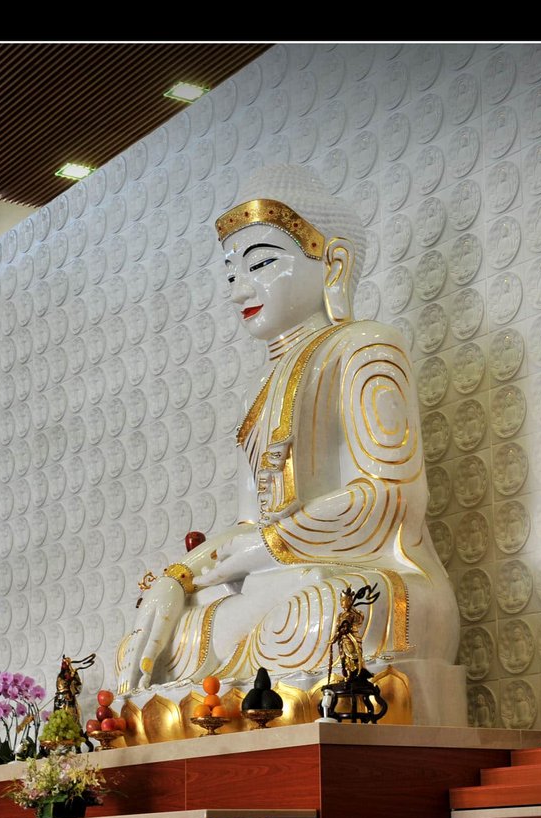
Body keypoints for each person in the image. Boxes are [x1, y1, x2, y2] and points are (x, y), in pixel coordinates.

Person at [119, 165, 458, 696]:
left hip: (366, 575)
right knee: (160, 642)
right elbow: (246, 525)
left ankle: (247, 693)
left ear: (333, 263)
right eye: (231, 273)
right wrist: (177, 579)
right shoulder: (260, 388)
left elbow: (392, 499)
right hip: (278, 581)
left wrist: (268, 545)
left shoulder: (367, 347)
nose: (239, 290)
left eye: (261, 263)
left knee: (330, 614)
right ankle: (233, 691)